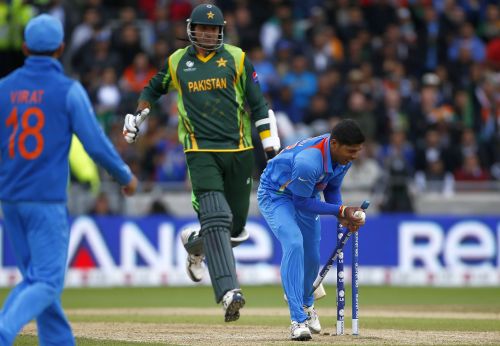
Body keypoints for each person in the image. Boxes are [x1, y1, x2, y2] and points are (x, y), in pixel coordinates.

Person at [122, 3, 280, 322]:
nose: (208, 33)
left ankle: (195, 245)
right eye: (202, 28)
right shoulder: (178, 61)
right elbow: (152, 89)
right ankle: (228, 292)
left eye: (213, 29)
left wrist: (270, 146)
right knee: (217, 216)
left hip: (239, 151)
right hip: (200, 151)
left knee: (235, 228)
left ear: (221, 31)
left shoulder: (236, 58)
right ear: (191, 30)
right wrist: (139, 115)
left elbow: (258, 105)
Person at [0, 14, 138, 345]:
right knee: (47, 282)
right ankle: (3, 331)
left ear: (24, 48)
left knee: (37, 280)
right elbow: (96, 144)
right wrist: (125, 175)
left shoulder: (3, 89)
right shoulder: (68, 91)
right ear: (61, 49)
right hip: (45, 199)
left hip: (10, 199)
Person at [257, 119, 366, 341]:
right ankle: (297, 320)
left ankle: (307, 304)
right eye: (351, 151)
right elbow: (300, 203)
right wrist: (342, 210)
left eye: (358, 151)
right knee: (294, 243)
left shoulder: (343, 158)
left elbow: (333, 187)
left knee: (312, 256)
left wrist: (341, 214)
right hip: (276, 194)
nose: (355, 156)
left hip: (306, 193)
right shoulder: (310, 161)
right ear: (334, 144)